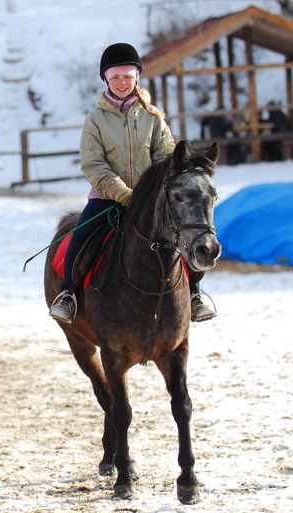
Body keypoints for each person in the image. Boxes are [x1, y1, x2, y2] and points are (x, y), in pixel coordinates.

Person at [48, 42, 216, 324]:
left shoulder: (153, 117)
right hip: (106, 197)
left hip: (151, 201)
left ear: (137, 78)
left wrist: (149, 195)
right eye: (115, 77)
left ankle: (195, 293)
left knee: (184, 234)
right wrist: (123, 194)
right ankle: (69, 293)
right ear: (106, 80)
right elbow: (94, 164)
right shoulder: (95, 120)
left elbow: (166, 158)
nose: (122, 83)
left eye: (127, 77)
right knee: (81, 236)